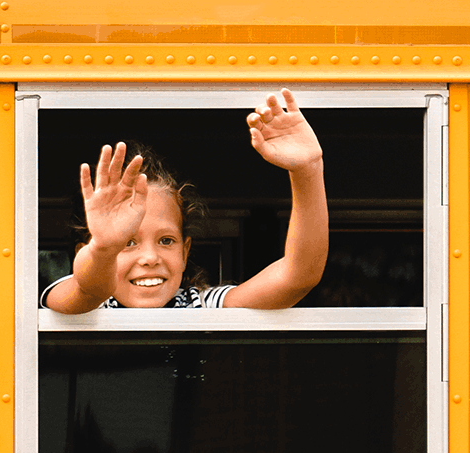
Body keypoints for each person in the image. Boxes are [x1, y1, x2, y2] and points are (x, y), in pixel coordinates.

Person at [41, 90, 329, 312]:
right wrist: (104, 248)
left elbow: (296, 277)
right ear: (83, 250)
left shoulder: (200, 305)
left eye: (166, 240)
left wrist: (307, 170)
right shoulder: (83, 298)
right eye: (127, 242)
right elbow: (89, 290)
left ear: (185, 251)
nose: (150, 258)